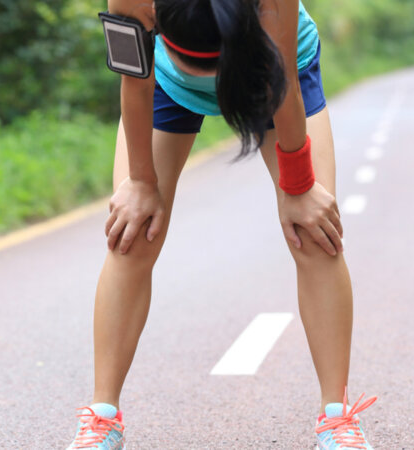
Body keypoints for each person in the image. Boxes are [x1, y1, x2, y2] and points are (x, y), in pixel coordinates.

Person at [66, 0, 378, 449]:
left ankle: (337, 419)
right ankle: (102, 418)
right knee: (131, 232)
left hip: (269, 72)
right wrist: (141, 182)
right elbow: (134, 80)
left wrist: (299, 186)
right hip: (166, 85)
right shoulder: (130, 0)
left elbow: (284, 81)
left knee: (316, 233)